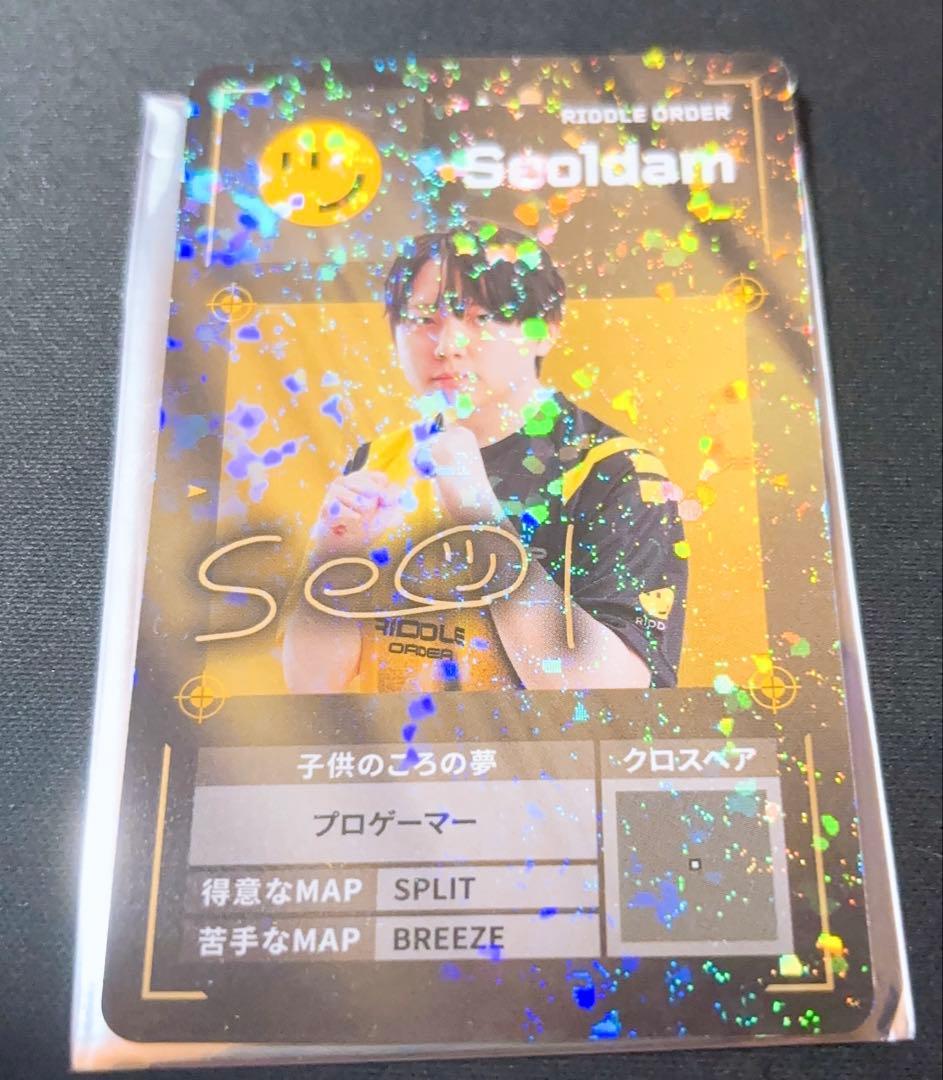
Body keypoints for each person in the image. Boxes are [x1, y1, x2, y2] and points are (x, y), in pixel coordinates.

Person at [282, 223, 687, 694]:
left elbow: (618, 693)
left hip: (545, 746)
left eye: (480, 317)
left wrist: (477, 513)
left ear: (545, 329)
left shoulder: (615, 471)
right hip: (403, 740)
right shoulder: (377, 461)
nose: (446, 346)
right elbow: (311, 682)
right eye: (423, 319)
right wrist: (334, 556)